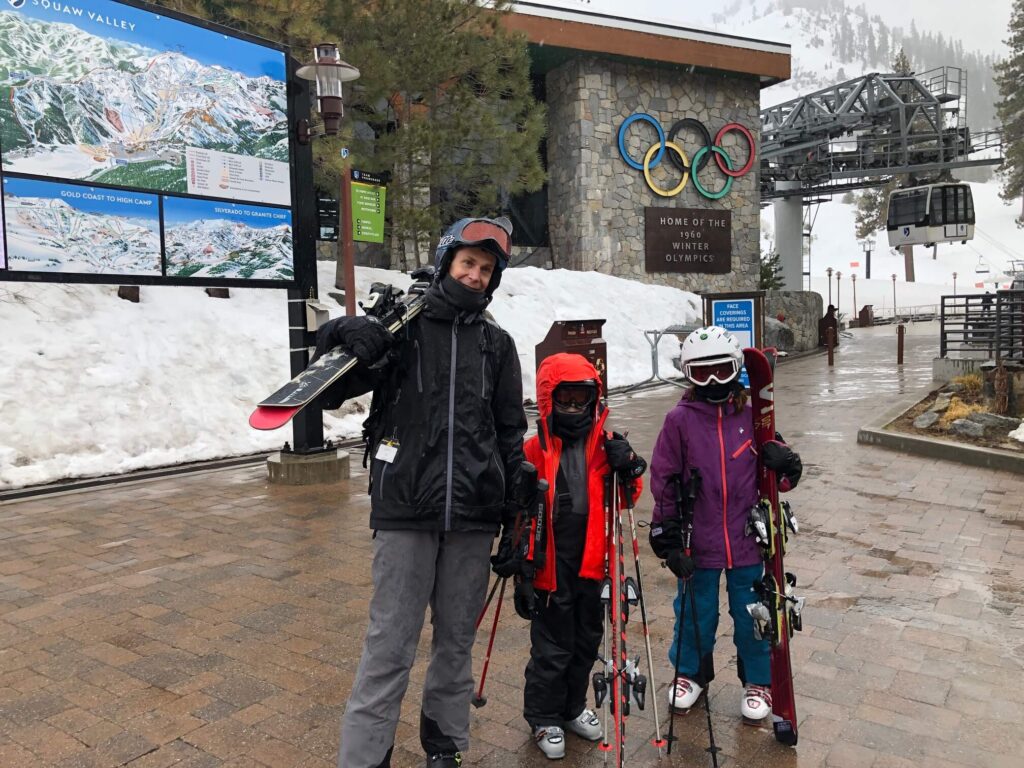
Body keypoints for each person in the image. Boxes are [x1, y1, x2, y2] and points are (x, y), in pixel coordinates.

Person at [320, 217, 528, 768]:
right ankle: (364, 759)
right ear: (445, 263)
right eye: (468, 264)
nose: (476, 275)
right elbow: (329, 391)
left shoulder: (497, 345)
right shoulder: (401, 328)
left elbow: (510, 432)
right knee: (390, 646)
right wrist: (339, 336)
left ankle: (446, 747)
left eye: (486, 270)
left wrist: (517, 517)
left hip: (474, 514)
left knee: (456, 644)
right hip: (406, 508)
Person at [491, 352, 646, 759]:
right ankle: (543, 716)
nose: (575, 409)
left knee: (585, 640)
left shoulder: (606, 446)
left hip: (593, 560)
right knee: (552, 645)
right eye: (566, 400)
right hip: (551, 563)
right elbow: (517, 508)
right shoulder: (534, 449)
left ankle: (573, 706)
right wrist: (518, 558)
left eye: (583, 400)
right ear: (548, 400)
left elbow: (626, 500)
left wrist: (629, 467)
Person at [647, 327, 802, 725]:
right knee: (694, 612)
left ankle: (758, 680)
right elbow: (664, 479)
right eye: (702, 374)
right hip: (698, 541)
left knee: (754, 612)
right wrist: (666, 539)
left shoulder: (753, 416)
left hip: (748, 539)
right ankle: (690, 673)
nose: (713, 382)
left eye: (721, 371)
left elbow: (777, 474)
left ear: (736, 371)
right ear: (688, 376)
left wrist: (787, 466)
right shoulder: (679, 421)